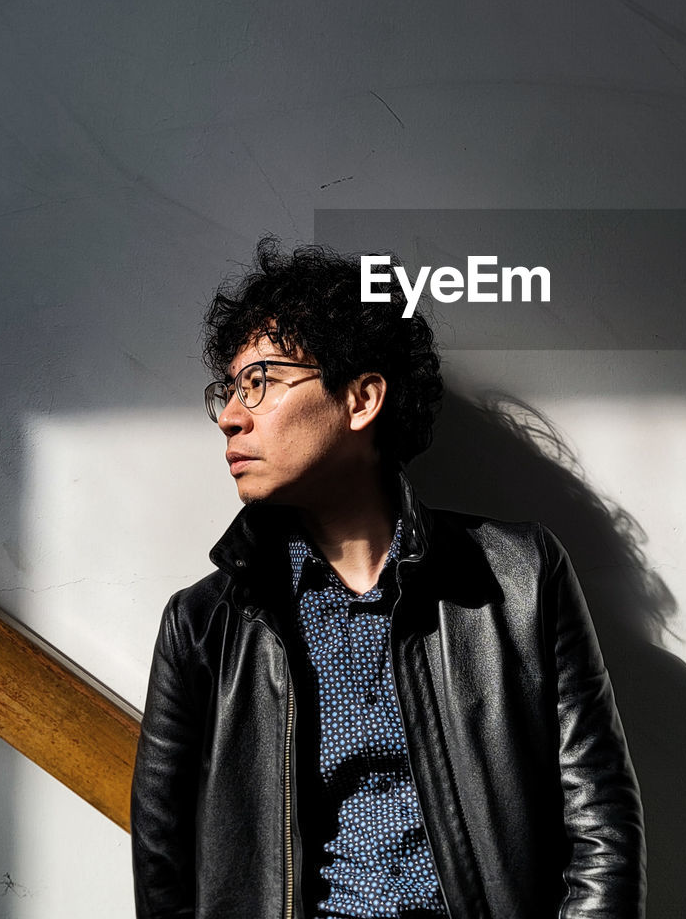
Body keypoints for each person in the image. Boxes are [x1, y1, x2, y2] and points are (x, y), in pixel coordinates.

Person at [130, 239, 645, 919]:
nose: (230, 413)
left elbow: (600, 829)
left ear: (362, 398)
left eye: (259, 381)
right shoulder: (203, 625)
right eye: (228, 390)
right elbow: (164, 867)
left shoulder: (519, 578)